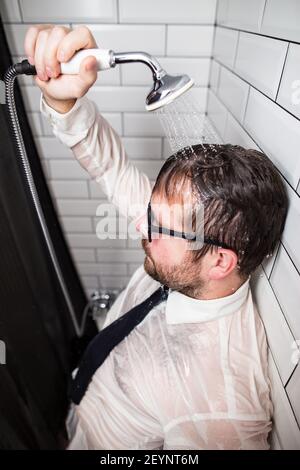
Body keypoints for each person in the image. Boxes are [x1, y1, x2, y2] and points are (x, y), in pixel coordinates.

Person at [24, 25, 288, 450]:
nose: (138, 225)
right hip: (85, 409)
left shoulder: (223, 405)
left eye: (157, 225)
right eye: (148, 212)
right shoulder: (183, 243)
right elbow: (109, 165)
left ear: (220, 260)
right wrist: (64, 97)